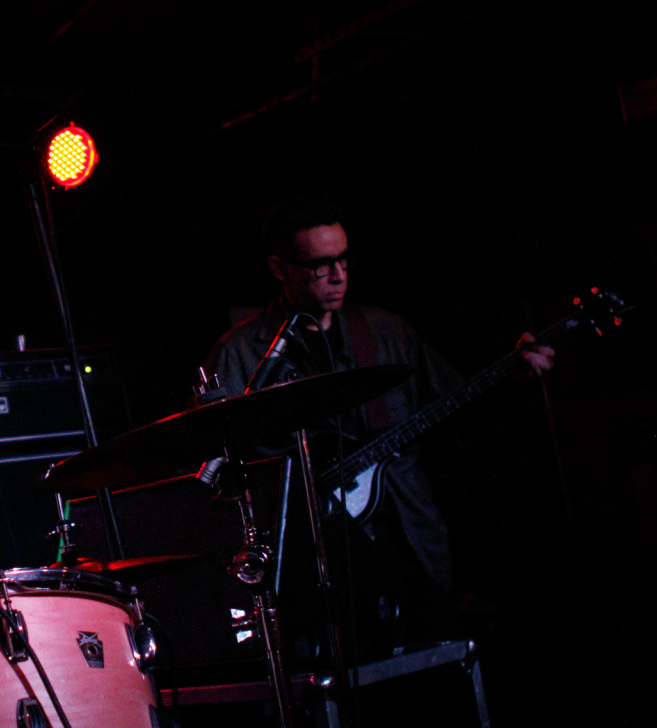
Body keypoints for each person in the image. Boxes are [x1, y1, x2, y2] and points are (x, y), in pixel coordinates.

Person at [203, 195, 553, 650]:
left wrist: (513, 375)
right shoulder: (241, 354)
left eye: (344, 260)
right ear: (279, 268)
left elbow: (464, 412)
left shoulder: (386, 333)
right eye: (320, 264)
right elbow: (217, 471)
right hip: (316, 568)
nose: (338, 275)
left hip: (411, 544)